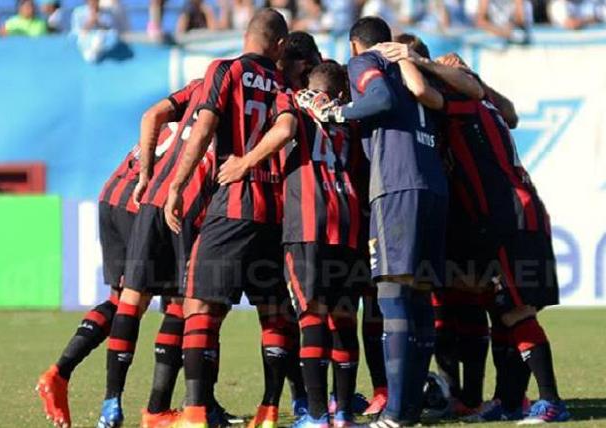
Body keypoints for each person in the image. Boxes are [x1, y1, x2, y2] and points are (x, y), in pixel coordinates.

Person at [378, 41, 571, 425]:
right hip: (511, 214)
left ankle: (551, 401)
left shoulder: (462, 106)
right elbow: (509, 110)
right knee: (501, 310)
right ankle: (508, 399)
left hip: (508, 216)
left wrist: (416, 63)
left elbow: (426, 92)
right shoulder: (486, 107)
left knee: (516, 311)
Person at [305, 16, 471, 427]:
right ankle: (409, 409)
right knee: (418, 299)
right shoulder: (410, 69)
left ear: (355, 46)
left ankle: (396, 412)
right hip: (433, 186)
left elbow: (378, 99)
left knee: (393, 296)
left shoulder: (366, 63)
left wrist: (336, 114)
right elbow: (436, 100)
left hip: (397, 186)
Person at [217, 61, 369, 428]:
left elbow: (284, 130)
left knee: (312, 315)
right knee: (344, 317)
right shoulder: (351, 120)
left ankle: (316, 415)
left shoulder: (292, 102)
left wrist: (244, 164)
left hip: (308, 222)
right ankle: (344, 413)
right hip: (348, 221)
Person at [164, 8, 294, 428]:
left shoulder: (225, 70)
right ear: (278, 45)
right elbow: (286, 130)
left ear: (248, 36)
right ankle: (270, 409)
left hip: (235, 203)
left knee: (200, 304)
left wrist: (177, 186)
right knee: (273, 310)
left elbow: (202, 130)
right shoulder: (282, 83)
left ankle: (196, 412)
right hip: (275, 212)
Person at [35, 107, 187, 428]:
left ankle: (59, 374)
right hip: (144, 203)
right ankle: (156, 410)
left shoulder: (182, 110)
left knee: (121, 300)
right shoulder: (216, 109)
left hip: (114, 194)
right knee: (176, 300)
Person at [95, 79, 224, 428]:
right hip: (190, 204)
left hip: (153, 199)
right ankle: (174, 408)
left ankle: (113, 402)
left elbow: (152, 114)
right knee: (187, 305)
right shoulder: (247, 94)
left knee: (130, 302)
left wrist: (148, 173)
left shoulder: (200, 86)